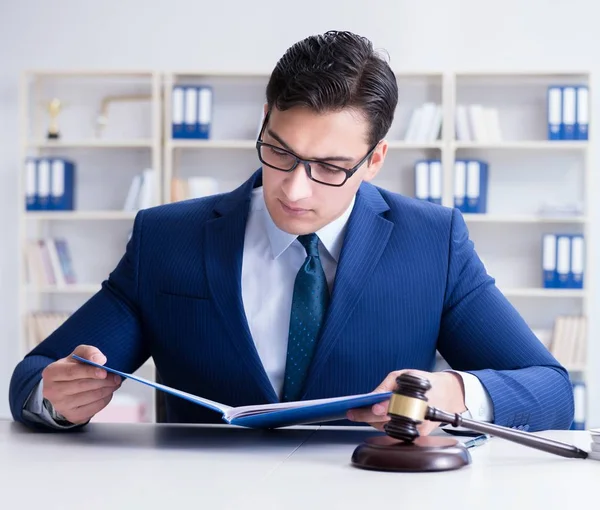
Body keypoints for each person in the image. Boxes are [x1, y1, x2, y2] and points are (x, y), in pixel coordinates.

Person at [9, 30, 573, 435]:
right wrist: (56, 398)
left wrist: (454, 394)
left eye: (330, 167)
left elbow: (550, 390)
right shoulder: (168, 237)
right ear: (264, 119)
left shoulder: (432, 241)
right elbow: (31, 378)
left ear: (375, 159)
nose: (295, 190)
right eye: (280, 151)